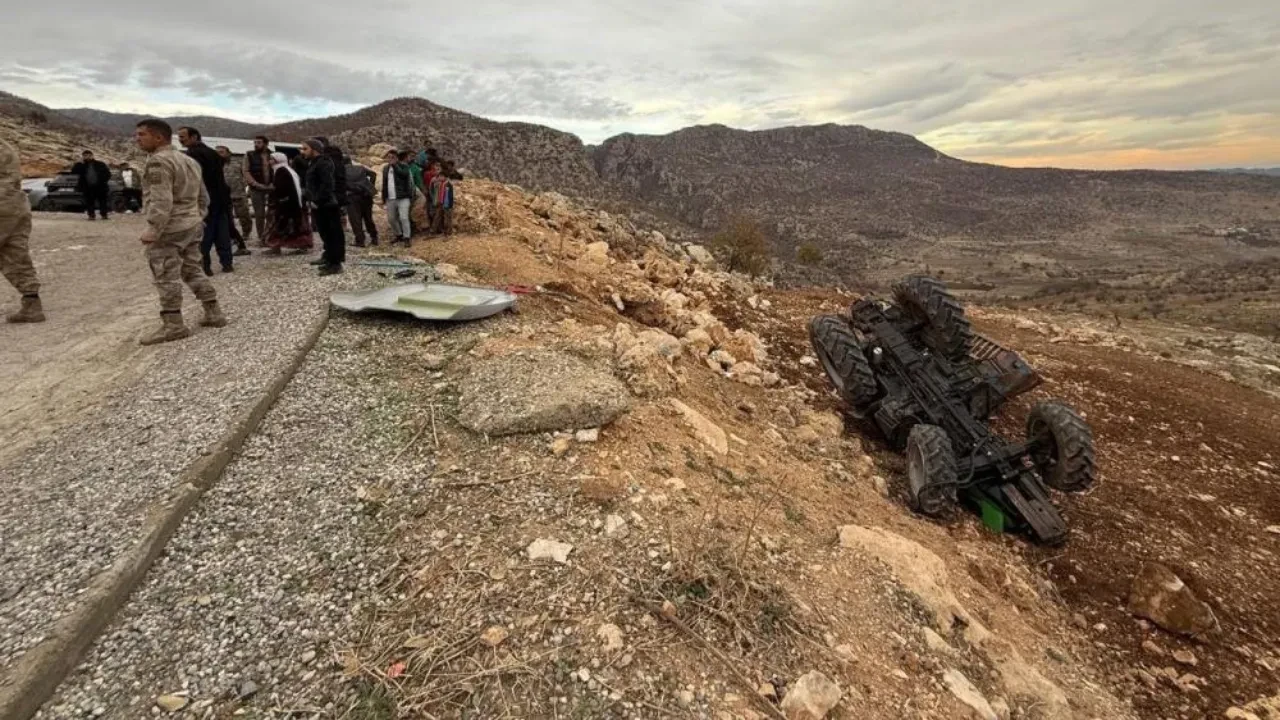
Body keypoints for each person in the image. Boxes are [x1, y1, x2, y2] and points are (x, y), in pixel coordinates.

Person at [134, 119, 227, 345]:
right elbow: (203, 196)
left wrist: (153, 228)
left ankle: (173, 325)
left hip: (170, 228)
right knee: (192, 269)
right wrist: (198, 217)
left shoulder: (158, 162)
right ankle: (213, 311)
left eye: (142, 135)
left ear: (158, 137)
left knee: (165, 275)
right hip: (191, 224)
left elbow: (161, 199)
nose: (137, 139)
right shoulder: (188, 160)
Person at [177, 126, 233, 275]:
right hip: (220, 199)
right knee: (222, 232)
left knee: (204, 234)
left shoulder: (191, 154)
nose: (180, 140)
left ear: (194, 137)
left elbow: (193, 180)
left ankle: (205, 266)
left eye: (183, 137)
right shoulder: (213, 153)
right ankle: (227, 264)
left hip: (204, 200)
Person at [1, 137, 45, 323]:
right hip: (15, 206)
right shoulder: (4, 146)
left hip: (3, 204)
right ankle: (31, 304)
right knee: (14, 254)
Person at [300, 139, 344, 275]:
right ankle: (329, 259)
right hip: (319, 205)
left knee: (332, 234)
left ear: (315, 149)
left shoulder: (324, 163)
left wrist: (317, 201)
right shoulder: (314, 163)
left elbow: (327, 185)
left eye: (305, 149)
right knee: (325, 234)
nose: (302, 152)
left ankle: (335, 264)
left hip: (327, 204)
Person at [263, 152, 313, 254]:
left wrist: (278, 197)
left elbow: (283, 188)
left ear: (277, 160)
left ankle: (278, 247)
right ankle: (279, 247)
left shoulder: (281, 171)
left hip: (287, 204)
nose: (269, 162)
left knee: (284, 225)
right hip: (291, 203)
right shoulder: (285, 170)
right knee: (289, 225)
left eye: (272, 159)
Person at [215, 145, 252, 256]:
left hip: (238, 193)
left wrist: (244, 186)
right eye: (217, 152)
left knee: (243, 214)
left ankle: (246, 232)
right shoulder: (216, 165)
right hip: (224, 197)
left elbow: (245, 175)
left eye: (221, 152)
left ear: (228, 153)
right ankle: (232, 237)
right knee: (228, 219)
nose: (219, 154)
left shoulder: (237, 163)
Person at [242, 135, 273, 244]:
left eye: (259, 142)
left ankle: (270, 236)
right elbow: (245, 171)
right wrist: (255, 184)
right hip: (256, 188)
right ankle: (261, 238)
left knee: (271, 213)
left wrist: (273, 184)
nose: (256, 144)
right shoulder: (249, 155)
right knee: (259, 214)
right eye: (255, 142)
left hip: (271, 188)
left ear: (265, 143)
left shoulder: (272, 155)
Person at [380, 149, 414, 245]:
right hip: (390, 198)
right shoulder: (385, 169)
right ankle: (398, 234)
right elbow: (384, 184)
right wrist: (383, 197)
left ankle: (407, 237)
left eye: (393, 157)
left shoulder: (404, 166)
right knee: (391, 218)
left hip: (403, 197)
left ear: (397, 158)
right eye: (389, 157)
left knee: (404, 217)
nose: (390, 159)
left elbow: (404, 175)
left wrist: (395, 165)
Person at [344, 158, 378, 247]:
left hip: (352, 197)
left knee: (355, 220)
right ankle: (374, 238)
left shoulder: (341, 171)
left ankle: (360, 241)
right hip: (366, 195)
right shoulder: (360, 168)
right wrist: (370, 186)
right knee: (368, 218)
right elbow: (373, 174)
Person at [71, 150, 112, 220]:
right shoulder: (81, 165)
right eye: (85, 156)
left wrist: (103, 181)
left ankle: (104, 215)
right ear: (83, 157)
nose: (87, 157)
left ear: (92, 156)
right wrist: (78, 163)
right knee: (89, 202)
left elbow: (108, 174)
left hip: (100, 187)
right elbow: (74, 171)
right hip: (88, 187)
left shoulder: (100, 164)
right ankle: (91, 215)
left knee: (102, 201)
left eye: (89, 155)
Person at [428, 163, 455, 236]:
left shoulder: (448, 184)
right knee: (437, 217)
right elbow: (432, 191)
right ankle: (433, 232)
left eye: (441, 176)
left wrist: (449, 205)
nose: (439, 177)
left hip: (446, 204)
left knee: (447, 219)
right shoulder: (438, 183)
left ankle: (448, 233)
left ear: (445, 177)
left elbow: (450, 196)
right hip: (440, 202)